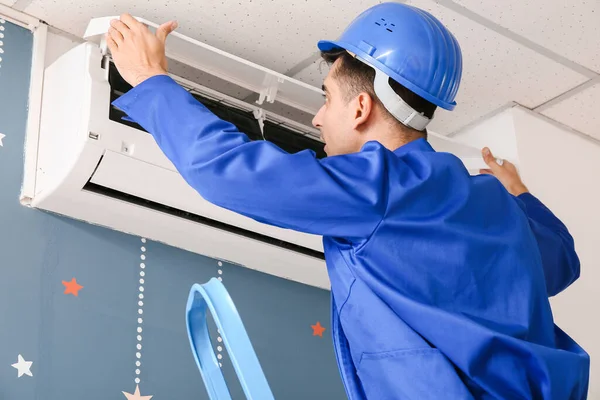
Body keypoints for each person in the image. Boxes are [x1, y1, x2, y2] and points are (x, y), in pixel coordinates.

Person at [106, 3, 589, 399]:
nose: (316, 119)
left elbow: (231, 173)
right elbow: (560, 263)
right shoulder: (492, 203)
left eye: (325, 98)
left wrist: (151, 82)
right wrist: (519, 194)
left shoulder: (380, 185)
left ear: (360, 108)